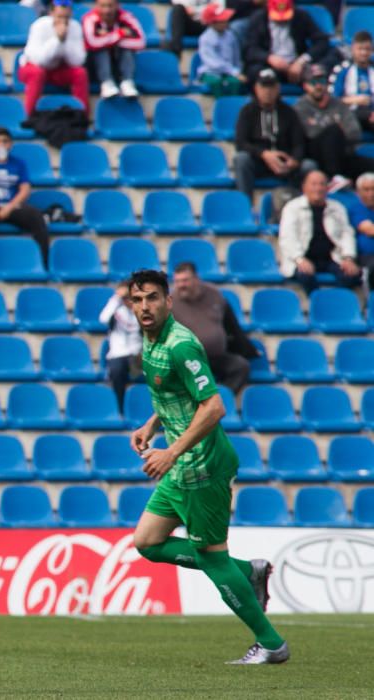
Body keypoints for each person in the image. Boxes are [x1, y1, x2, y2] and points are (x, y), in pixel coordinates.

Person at [127, 268, 289, 665]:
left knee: (211, 557)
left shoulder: (181, 344)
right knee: (147, 542)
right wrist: (151, 424)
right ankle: (247, 571)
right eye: (137, 299)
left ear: (169, 301)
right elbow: (174, 395)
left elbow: (213, 406)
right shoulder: (150, 340)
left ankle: (271, 644)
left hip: (201, 466)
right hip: (182, 465)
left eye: (152, 298)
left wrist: (170, 452)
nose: (145, 307)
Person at [170, 262, 253, 394]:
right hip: (188, 360)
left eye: (185, 280)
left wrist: (248, 349)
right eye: (177, 281)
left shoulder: (215, 295)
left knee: (241, 366)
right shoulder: (170, 303)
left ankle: (220, 400)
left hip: (216, 356)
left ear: (196, 279)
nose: (181, 285)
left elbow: (231, 325)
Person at [0, 126, 50, 264]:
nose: (1, 144)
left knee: (36, 216)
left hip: (11, 205)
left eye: (5, 141)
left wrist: (10, 206)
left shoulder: (19, 163)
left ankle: (44, 261)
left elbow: (25, 189)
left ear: (11, 144)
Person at [279, 169, 360, 294]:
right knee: (305, 275)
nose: (318, 188)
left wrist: (348, 257)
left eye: (322, 184)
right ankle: (318, 305)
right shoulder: (292, 208)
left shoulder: (337, 208)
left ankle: (334, 302)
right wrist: (299, 259)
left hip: (331, 257)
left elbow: (346, 234)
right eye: (314, 184)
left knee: (351, 275)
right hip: (303, 257)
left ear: (327, 188)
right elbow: (288, 237)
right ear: (304, 187)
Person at [294, 63, 374, 191]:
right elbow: (311, 134)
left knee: (370, 164)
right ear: (306, 86)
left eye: (321, 81)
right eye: (314, 82)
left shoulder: (338, 104)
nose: (319, 86)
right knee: (333, 131)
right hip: (316, 156)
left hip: (342, 153)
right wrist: (336, 130)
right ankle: (333, 178)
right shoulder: (300, 107)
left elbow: (354, 132)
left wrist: (336, 134)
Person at [233, 68, 308, 199]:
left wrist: (294, 160)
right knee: (241, 159)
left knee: (309, 166)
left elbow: (299, 142)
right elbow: (241, 143)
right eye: (264, 86)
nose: (267, 91)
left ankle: (300, 204)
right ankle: (245, 205)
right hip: (259, 162)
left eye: (271, 87)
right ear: (256, 88)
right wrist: (264, 154)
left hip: (285, 162)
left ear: (278, 88)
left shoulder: (289, 112)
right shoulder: (247, 112)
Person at [17, 0, 89, 116]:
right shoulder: (39, 26)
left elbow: (78, 61)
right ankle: (29, 115)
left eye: (66, 17)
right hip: (32, 68)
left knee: (80, 73)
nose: (63, 21)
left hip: (57, 70)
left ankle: (82, 116)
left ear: (71, 14)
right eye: (59, 17)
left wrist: (64, 40)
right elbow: (40, 60)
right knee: (37, 73)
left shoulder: (75, 27)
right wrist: (57, 39)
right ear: (51, 13)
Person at [243, 0, 332, 86]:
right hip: (269, 66)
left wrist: (302, 61)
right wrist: (269, 58)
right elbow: (250, 49)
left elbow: (321, 41)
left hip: (298, 65)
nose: (281, 20)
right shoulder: (258, 19)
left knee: (320, 71)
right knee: (259, 74)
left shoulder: (300, 16)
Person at [81, 0, 144, 99]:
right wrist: (120, 34)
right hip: (94, 68)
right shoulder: (89, 18)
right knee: (101, 49)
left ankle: (127, 82)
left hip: (117, 63)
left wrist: (109, 38)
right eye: (103, 6)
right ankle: (106, 82)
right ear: (96, 6)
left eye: (110, 6)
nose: (107, 10)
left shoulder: (126, 17)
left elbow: (141, 42)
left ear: (117, 5)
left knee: (126, 49)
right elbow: (92, 43)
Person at [98, 280, 141, 413]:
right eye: (126, 297)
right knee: (116, 369)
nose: (128, 300)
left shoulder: (142, 310)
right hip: (118, 354)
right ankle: (120, 407)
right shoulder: (116, 311)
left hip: (138, 354)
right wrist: (117, 298)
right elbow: (103, 319)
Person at [196, 3, 245, 97]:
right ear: (212, 22)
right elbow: (213, 63)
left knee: (235, 82)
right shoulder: (205, 38)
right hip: (210, 71)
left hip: (230, 71)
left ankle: (233, 107)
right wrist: (233, 71)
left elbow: (236, 57)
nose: (225, 21)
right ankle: (220, 107)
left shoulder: (231, 35)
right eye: (221, 20)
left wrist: (238, 71)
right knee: (216, 83)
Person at [330, 31, 374, 134]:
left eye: (367, 49)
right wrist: (352, 100)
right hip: (349, 113)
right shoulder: (341, 70)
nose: (364, 53)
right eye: (360, 49)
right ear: (353, 49)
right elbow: (332, 100)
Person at [348, 172, 374, 281]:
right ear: (358, 192)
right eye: (366, 190)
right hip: (366, 256)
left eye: (373, 189)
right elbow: (370, 230)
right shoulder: (356, 209)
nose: (371, 194)